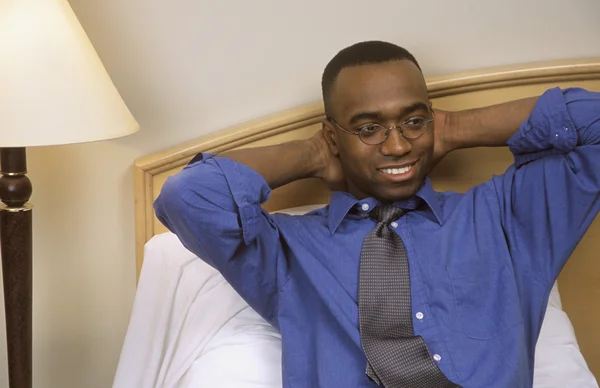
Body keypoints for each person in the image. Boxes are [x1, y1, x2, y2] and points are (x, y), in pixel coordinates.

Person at [153, 41, 600, 387]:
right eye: (368, 128)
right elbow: (187, 195)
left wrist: (456, 128)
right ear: (334, 134)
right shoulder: (285, 253)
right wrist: (311, 153)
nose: (397, 145)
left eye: (412, 120)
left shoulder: (508, 218)